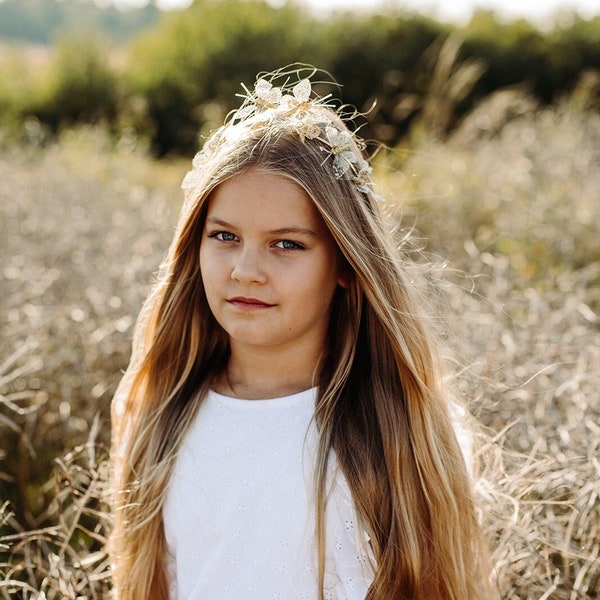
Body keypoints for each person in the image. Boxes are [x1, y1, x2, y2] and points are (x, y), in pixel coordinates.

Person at [109, 65, 495, 600]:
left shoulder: (393, 423)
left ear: (345, 263)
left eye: (286, 244)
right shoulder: (164, 409)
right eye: (224, 235)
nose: (246, 269)